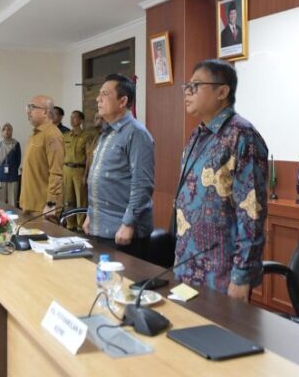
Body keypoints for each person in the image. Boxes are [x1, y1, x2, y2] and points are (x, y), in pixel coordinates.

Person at [174, 59, 268, 301]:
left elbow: (251, 212)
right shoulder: (198, 134)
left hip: (221, 272)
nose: (187, 91)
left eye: (196, 85)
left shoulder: (242, 135)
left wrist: (241, 276)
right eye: (187, 86)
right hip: (187, 263)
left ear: (222, 92)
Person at [83, 74, 154, 257]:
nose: (98, 99)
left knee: (120, 276)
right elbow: (99, 178)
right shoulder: (107, 133)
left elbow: (142, 184)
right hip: (100, 226)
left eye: (105, 94)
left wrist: (128, 223)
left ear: (123, 101)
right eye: (99, 94)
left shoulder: (136, 133)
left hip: (122, 231)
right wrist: (91, 214)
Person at [20, 95, 64, 217]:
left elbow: (56, 173)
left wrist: (51, 204)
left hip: (43, 209)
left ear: (45, 112)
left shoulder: (52, 135)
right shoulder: (36, 134)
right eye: (28, 107)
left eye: (32, 107)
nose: (28, 111)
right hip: (30, 205)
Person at [62, 110, 88, 230]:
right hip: (67, 169)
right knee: (68, 199)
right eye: (71, 117)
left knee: (80, 199)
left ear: (81, 120)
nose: (72, 120)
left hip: (79, 170)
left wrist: (86, 175)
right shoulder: (66, 135)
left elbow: (88, 157)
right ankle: (70, 223)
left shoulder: (85, 136)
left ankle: (80, 225)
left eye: (75, 117)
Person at [0, 123, 21, 207]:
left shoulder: (16, 144)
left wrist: (12, 170)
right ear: (1, 132)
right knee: (0, 203)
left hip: (12, 177)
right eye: (4, 129)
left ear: (12, 131)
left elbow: (18, 160)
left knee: (12, 202)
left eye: (8, 129)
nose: (6, 131)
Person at [83, 112, 103, 186]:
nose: (94, 120)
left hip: (102, 177)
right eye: (94, 118)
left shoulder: (108, 137)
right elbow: (89, 157)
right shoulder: (96, 136)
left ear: (104, 120)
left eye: (97, 118)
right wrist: (86, 175)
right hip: (93, 175)